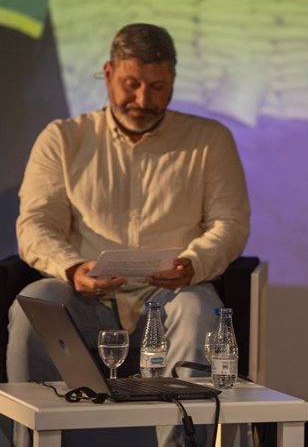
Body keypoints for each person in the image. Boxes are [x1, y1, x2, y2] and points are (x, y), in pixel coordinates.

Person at [7, 23, 250, 446]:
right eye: (131, 84)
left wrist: (193, 263)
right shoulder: (64, 138)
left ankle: (184, 443)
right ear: (107, 72)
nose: (142, 100)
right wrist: (73, 268)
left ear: (172, 81)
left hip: (171, 297)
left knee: (200, 309)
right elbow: (35, 224)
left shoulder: (210, 140)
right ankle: (37, 440)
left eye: (157, 86)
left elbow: (230, 223)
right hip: (87, 299)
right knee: (37, 304)